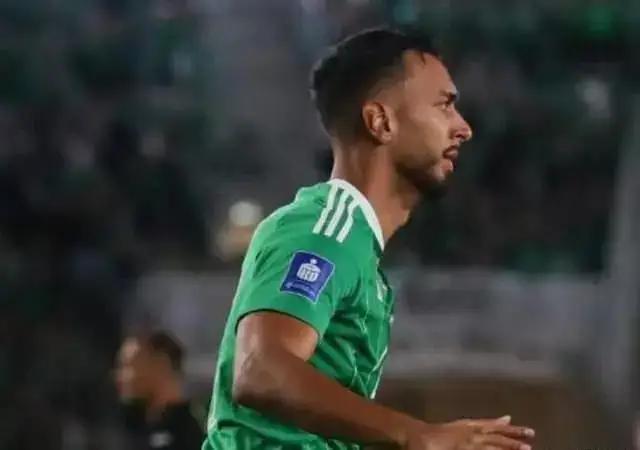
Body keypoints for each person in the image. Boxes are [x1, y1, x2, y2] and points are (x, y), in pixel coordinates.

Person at [202, 28, 536, 450]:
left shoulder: (357, 250)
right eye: (444, 105)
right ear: (381, 121)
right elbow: (261, 371)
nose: (463, 128)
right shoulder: (325, 229)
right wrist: (418, 435)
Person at [115, 331, 203, 450]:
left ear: (161, 365)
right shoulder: (130, 427)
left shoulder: (197, 432)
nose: (120, 376)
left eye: (129, 366)